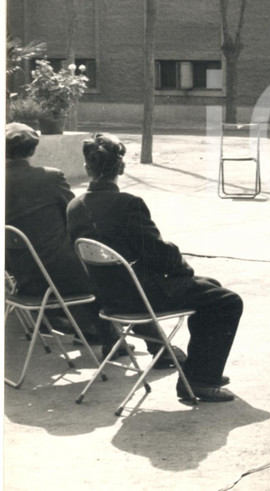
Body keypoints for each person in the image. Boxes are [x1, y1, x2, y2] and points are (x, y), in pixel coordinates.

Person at [67, 133, 243, 403]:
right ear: (121, 168)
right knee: (227, 301)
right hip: (139, 296)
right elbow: (158, 255)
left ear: (87, 168)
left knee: (212, 287)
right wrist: (182, 268)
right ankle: (199, 382)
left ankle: (200, 371)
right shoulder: (127, 204)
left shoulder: (74, 206)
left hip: (107, 298)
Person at [5, 123, 118, 355]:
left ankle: (85, 327)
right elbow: (77, 213)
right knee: (102, 264)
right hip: (54, 275)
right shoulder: (50, 177)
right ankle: (107, 337)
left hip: (18, 275)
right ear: (32, 150)